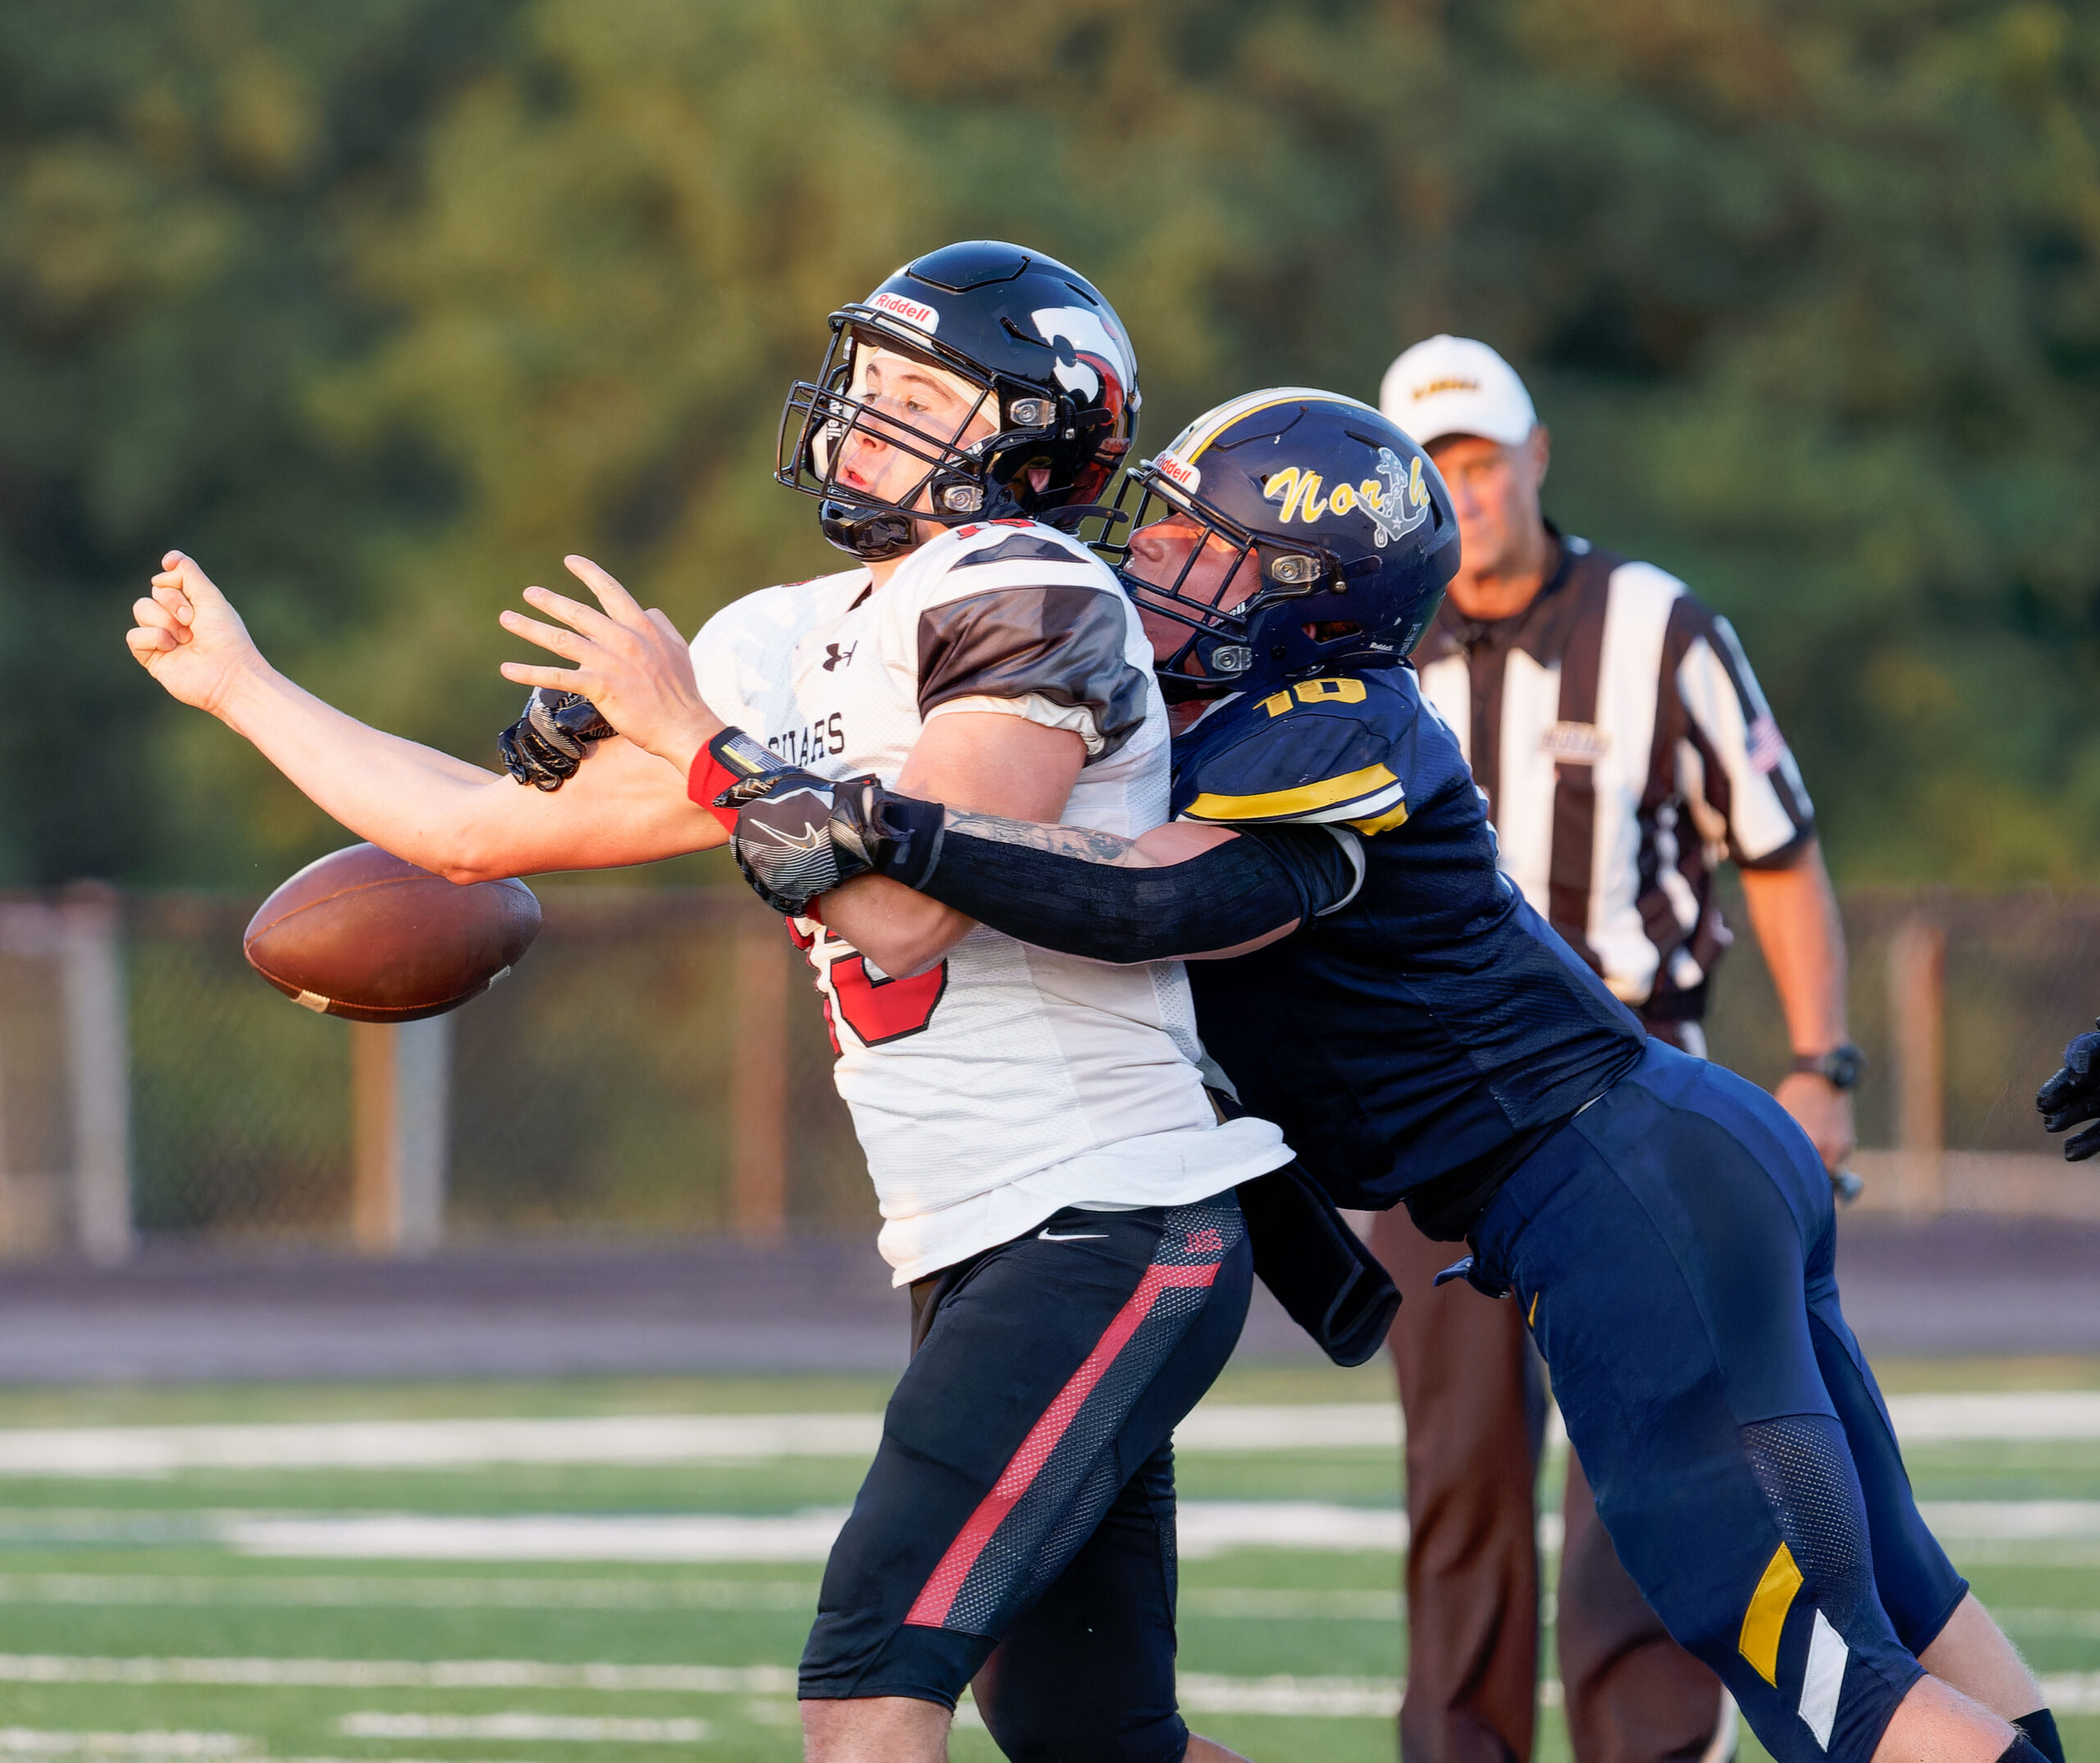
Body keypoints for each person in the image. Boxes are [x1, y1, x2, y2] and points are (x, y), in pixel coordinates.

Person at [694, 387, 2066, 1763]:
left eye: (1190, 542)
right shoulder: (1234, 713)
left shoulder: (1340, 719)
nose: (1145, 561)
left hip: (1614, 1187)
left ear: (1304, 593)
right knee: (1905, 1597)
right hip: (1659, 1158)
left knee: (1812, 1664)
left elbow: (1146, 901)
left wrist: (891, 834)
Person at [126, 240, 1287, 1763]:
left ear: (1033, 434)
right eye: (865, 376)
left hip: (1107, 1215)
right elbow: (473, 833)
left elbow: (919, 905)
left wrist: (698, 740)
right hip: (982, 1234)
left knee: (866, 1688)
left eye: (919, 390)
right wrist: (244, 686)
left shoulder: (1027, 583)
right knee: (1095, 1734)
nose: (867, 413)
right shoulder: (781, 634)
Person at [1364, 332, 1864, 1763]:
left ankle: (1643, 1751)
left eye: (1476, 459)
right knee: (1458, 1473)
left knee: (1648, 1466)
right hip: (1436, 1099)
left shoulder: (1660, 626)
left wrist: (1823, 1064)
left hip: (1631, 1084)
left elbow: (1775, 847)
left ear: (1534, 458)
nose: (1459, 493)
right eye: (1428, 468)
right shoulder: (1366, 644)